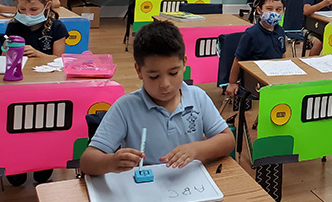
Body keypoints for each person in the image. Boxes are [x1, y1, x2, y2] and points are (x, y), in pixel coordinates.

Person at [80, 21, 235, 176]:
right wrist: (111, 161)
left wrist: (195, 149)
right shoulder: (125, 108)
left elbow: (228, 140)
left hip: (190, 185)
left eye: (173, 73)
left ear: (184, 63)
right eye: (154, 76)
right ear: (138, 70)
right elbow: (87, 161)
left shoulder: (197, 97)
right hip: (144, 189)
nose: (165, 84)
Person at [226, 0, 287, 98]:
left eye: (278, 9)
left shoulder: (281, 31)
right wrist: (232, 82)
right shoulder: (251, 34)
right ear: (259, 10)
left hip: (274, 74)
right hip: (256, 78)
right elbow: (238, 60)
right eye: (269, 9)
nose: (274, 13)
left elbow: (282, 54)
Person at [4, 0, 68, 58]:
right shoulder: (14, 26)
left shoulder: (57, 28)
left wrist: (37, 54)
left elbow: (59, 59)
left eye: (33, 9)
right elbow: (4, 56)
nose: (27, 14)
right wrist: (8, 50)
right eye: (22, 9)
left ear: (47, 6)